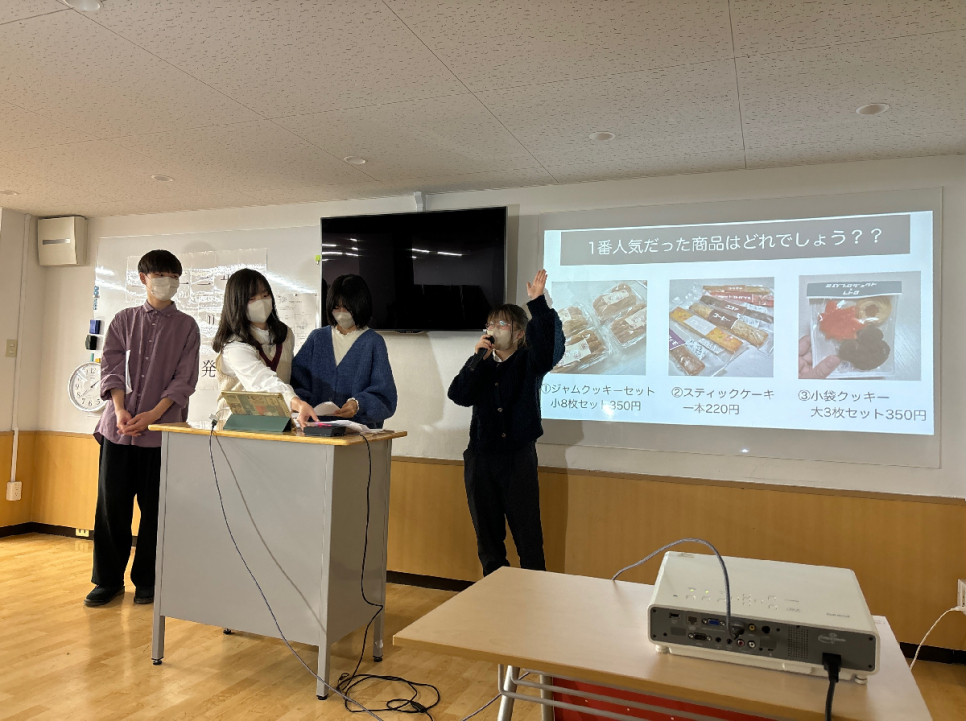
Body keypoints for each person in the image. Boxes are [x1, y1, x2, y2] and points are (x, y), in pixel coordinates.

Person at [86, 250, 200, 607]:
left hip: (162, 435)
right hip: (117, 431)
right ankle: (108, 581)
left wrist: (153, 415)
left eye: (173, 276)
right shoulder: (124, 320)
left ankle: (148, 581)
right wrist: (120, 410)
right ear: (143, 278)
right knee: (111, 509)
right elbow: (111, 369)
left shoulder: (187, 326)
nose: (167, 282)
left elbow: (184, 380)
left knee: (156, 513)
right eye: (160, 275)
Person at [447, 270, 564, 576]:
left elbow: (550, 350)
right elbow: (458, 395)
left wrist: (538, 303)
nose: (493, 329)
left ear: (519, 334)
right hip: (481, 459)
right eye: (490, 324)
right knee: (488, 543)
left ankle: (535, 597)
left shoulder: (529, 362)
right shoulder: (482, 364)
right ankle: (496, 596)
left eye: (501, 324)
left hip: (517, 460)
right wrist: (477, 360)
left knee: (528, 539)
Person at [212, 268, 318, 426]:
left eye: (265, 295)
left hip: (277, 424)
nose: (261, 302)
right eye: (251, 299)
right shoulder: (234, 345)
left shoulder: (285, 335)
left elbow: (290, 376)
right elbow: (262, 381)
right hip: (235, 426)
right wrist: (296, 402)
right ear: (237, 303)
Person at [291, 274, 397, 428]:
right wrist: (302, 404)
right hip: (315, 429)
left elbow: (385, 396)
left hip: (357, 432)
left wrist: (358, 404)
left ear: (360, 305)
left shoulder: (373, 343)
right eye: (336, 307)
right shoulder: (317, 338)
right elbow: (295, 382)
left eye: (347, 307)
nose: (341, 312)